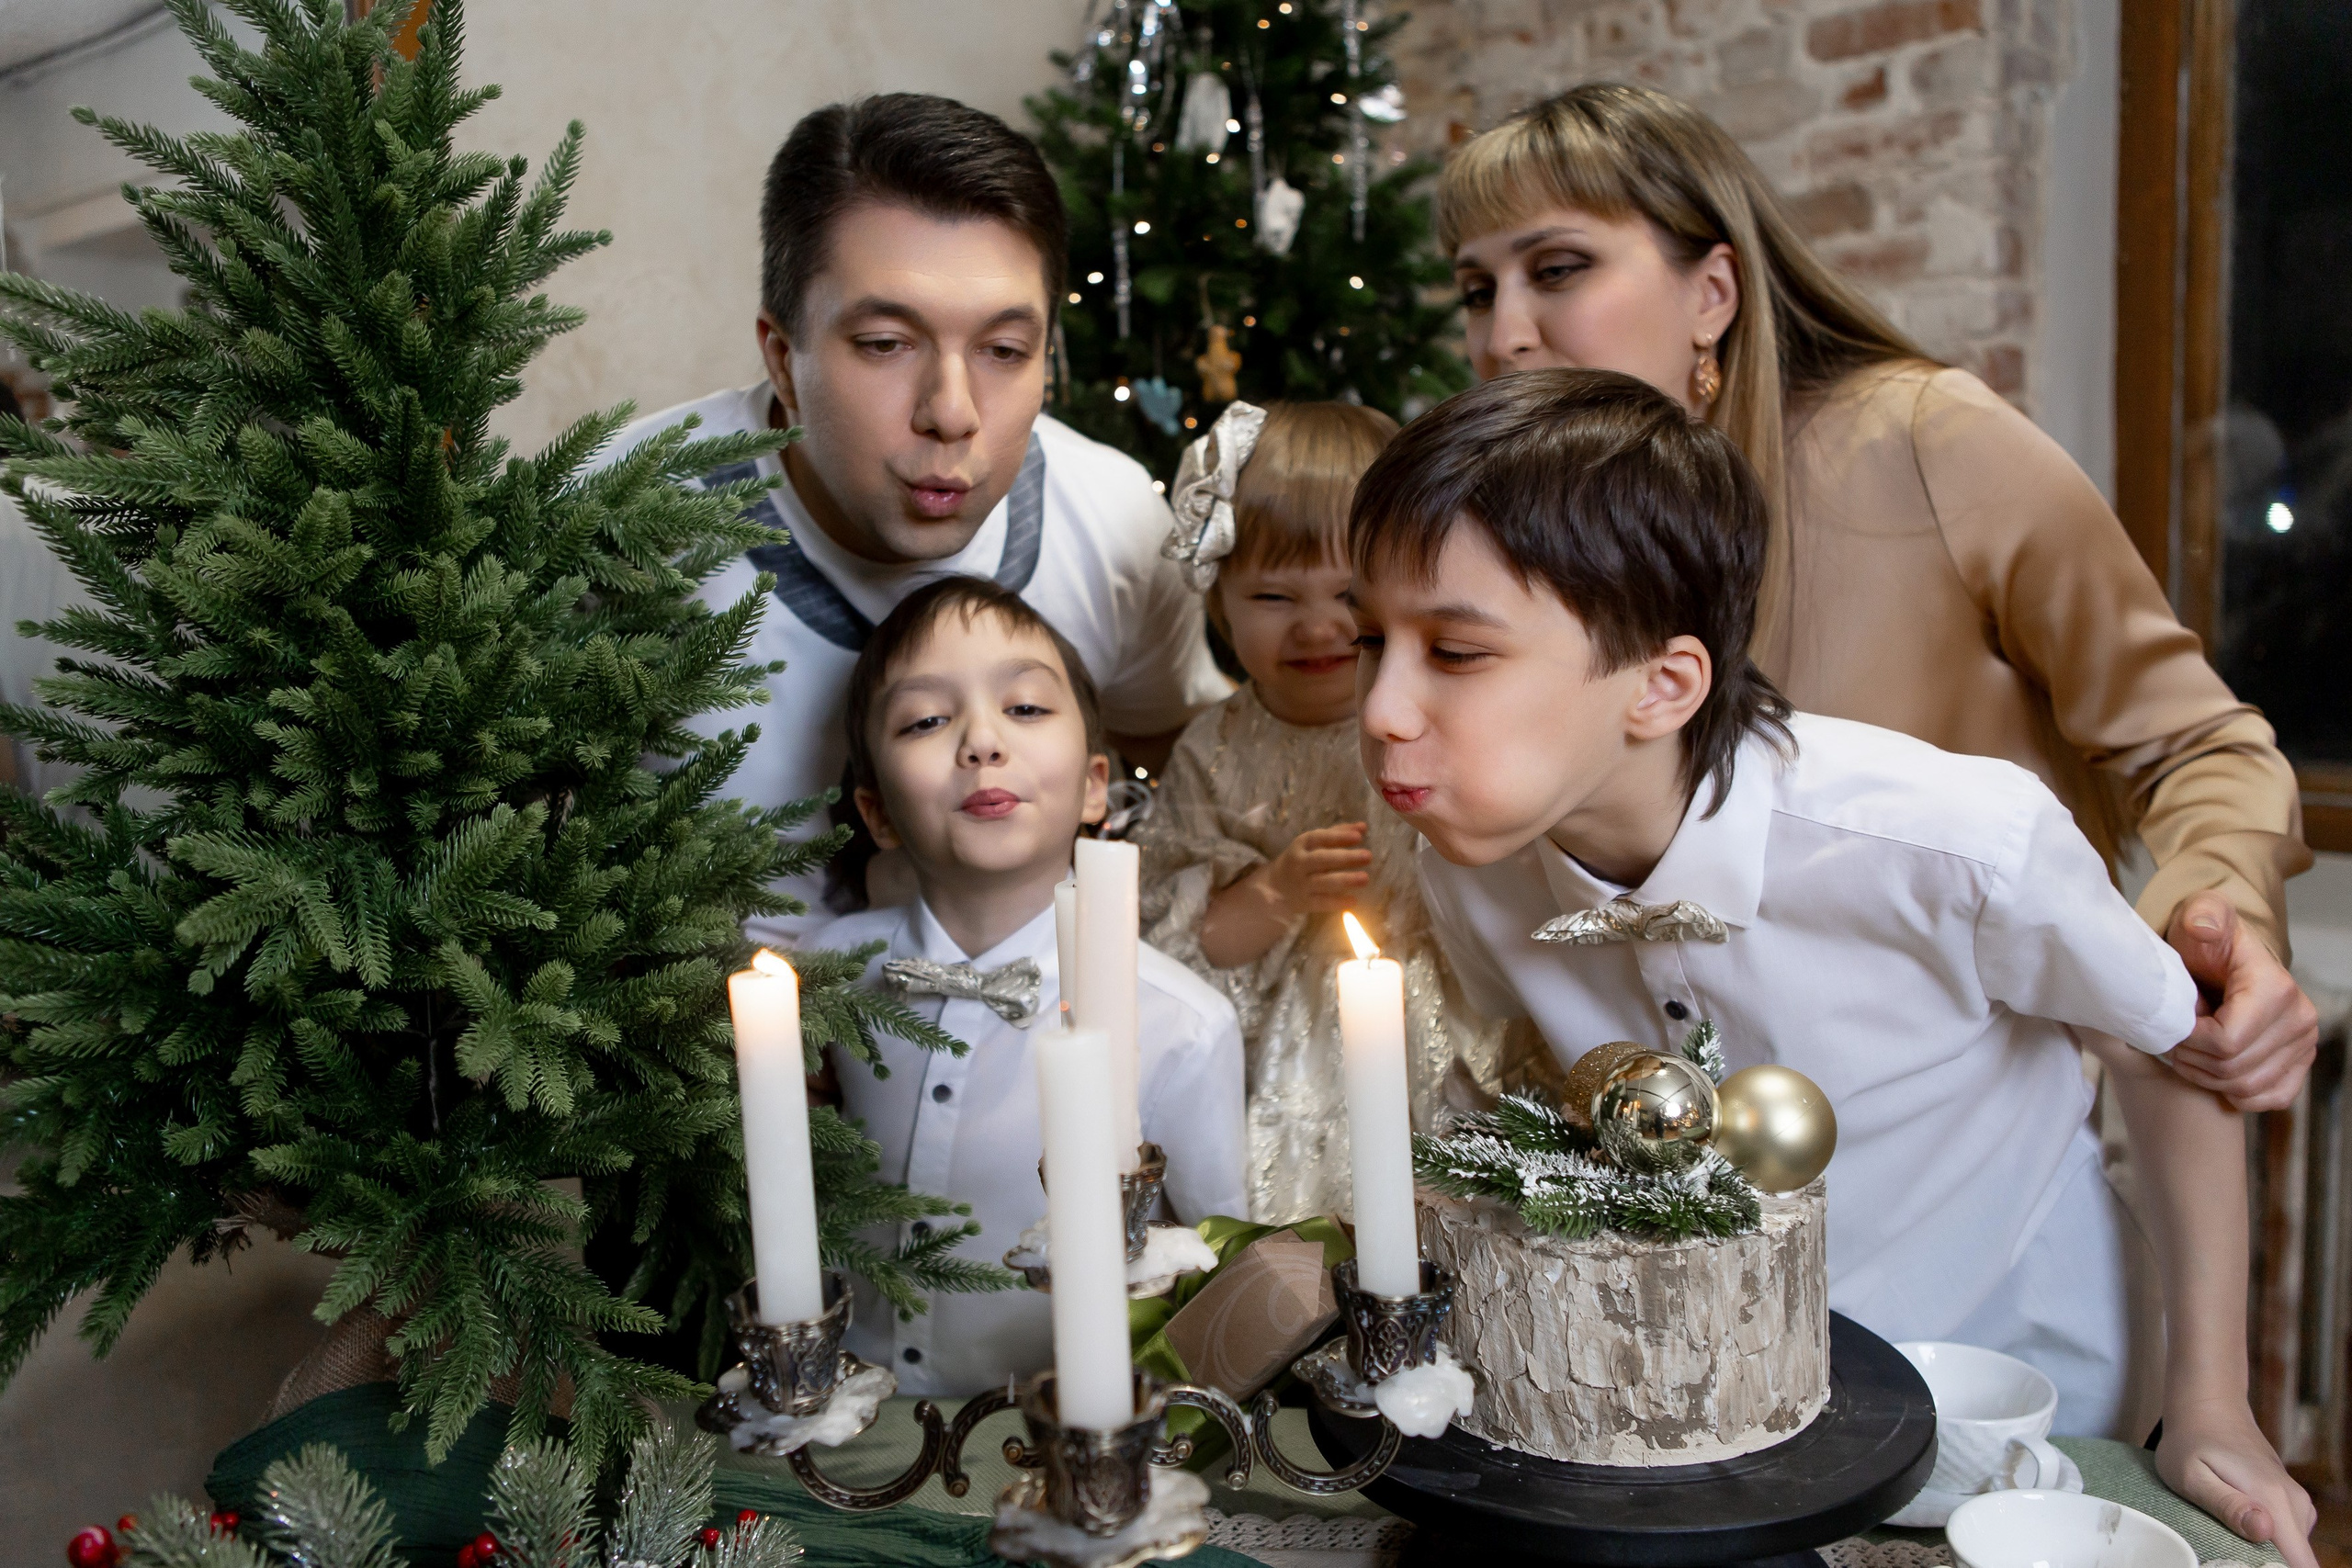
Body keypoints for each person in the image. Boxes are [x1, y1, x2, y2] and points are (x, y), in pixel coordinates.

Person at [1350, 369, 2314, 1564]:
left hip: (2015, 1431)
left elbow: (2176, 1055)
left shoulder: (1950, 841)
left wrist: (2217, 1406)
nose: (1384, 707)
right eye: (1370, 639)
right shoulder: (1468, 857)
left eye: (1454, 648)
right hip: (1729, 1439)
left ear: (1664, 683)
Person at [1435, 84, 2317, 1113]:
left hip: (1975, 1145)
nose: (1502, 337)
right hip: (1686, 1175)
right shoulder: (1527, 545)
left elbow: (2198, 747)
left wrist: (2215, 922)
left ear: (1712, 291)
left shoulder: (1927, 442)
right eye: (1473, 291)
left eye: (1556, 270)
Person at [603, 94, 1228, 943]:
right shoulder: (623, 518)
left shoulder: (1113, 518)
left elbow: (1189, 767)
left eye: (1004, 351)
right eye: (887, 344)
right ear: (785, 358)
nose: (952, 411)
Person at [808, 575, 1247, 1396]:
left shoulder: (1184, 1025)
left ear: (1092, 785)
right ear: (877, 813)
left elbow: (1219, 1272)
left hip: (1050, 1439)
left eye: (1026, 709)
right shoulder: (819, 977)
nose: (980, 741)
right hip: (845, 1415)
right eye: (927, 719)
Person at [1134, 400, 1506, 1224]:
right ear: (1218, 601)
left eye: (1347, 593)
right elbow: (1174, 945)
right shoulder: (1215, 745)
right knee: (1289, 1248)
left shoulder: (1442, 714)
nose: (1317, 627)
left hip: (1438, 1026)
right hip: (1276, 1060)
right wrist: (1271, 893)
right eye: (1271, 595)